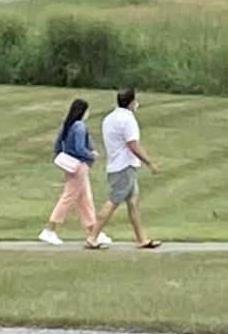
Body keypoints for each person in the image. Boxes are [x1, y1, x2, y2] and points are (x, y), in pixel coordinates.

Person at [94, 86, 161, 250]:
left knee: (132, 202)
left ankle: (141, 238)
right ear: (131, 103)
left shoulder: (109, 118)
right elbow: (132, 144)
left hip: (116, 164)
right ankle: (92, 235)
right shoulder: (128, 120)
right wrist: (149, 162)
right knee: (113, 202)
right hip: (124, 166)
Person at [40, 96, 105, 248]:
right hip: (79, 166)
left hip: (68, 165)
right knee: (68, 197)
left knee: (85, 199)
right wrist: (91, 154)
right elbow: (79, 148)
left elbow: (58, 144)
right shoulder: (80, 127)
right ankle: (50, 229)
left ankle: (93, 231)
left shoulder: (67, 125)